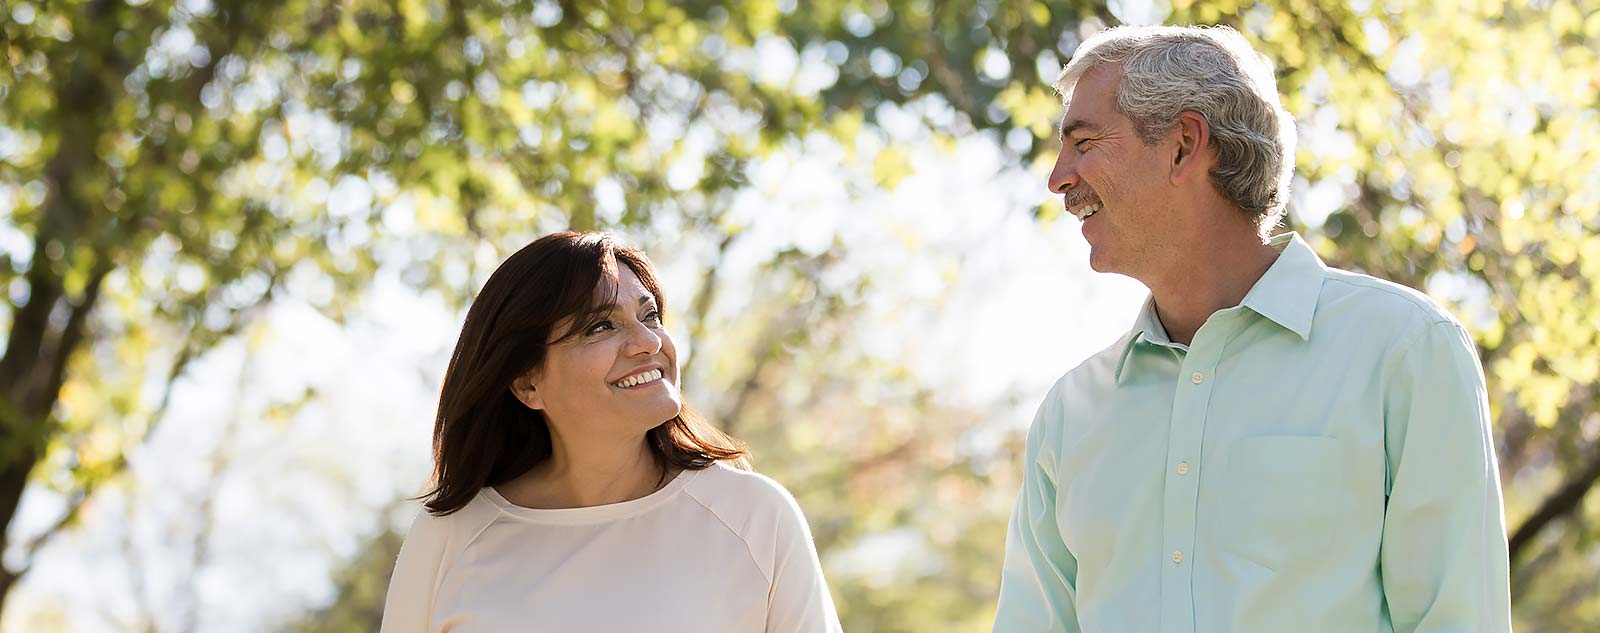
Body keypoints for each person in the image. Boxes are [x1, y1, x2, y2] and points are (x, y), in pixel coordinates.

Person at [993, 25, 1512, 633]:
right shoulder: (1070, 413)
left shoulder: (1405, 351)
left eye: (1084, 142)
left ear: (1184, 145)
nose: (1058, 177)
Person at [381, 232, 842, 632]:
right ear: (527, 382)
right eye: (601, 326)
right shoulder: (450, 536)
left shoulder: (754, 517)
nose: (648, 342)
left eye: (650, 316)